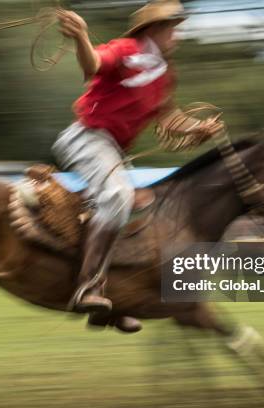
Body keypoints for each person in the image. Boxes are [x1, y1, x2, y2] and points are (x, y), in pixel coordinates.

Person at [52, 0, 224, 332]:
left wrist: (196, 128)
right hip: (87, 137)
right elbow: (94, 64)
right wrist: (81, 38)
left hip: (111, 150)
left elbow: (169, 117)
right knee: (117, 196)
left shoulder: (164, 74)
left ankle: (111, 304)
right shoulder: (127, 49)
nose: (177, 35)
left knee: (138, 211)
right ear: (154, 30)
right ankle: (87, 287)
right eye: (172, 28)